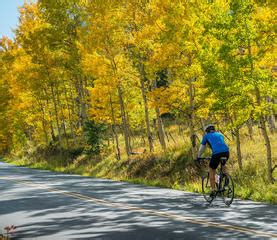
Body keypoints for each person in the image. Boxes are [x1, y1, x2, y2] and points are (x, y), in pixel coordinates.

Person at [197, 124, 229, 196]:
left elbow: (202, 148)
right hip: (226, 152)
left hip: (217, 154)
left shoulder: (206, 136)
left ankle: (213, 190)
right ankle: (226, 178)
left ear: (207, 131)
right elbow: (220, 144)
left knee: (212, 169)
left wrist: (198, 156)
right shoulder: (220, 134)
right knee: (223, 164)